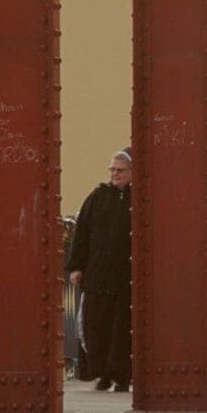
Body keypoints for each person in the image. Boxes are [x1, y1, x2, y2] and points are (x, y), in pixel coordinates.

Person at [65, 149, 134, 392]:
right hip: (98, 274)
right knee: (96, 326)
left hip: (126, 277)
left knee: (121, 329)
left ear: (132, 172)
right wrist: (76, 266)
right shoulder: (97, 197)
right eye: (112, 169)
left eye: (120, 170)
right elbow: (81, 233)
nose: (115, 174)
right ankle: (102, 373)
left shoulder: (140, 198)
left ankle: (122, 376)